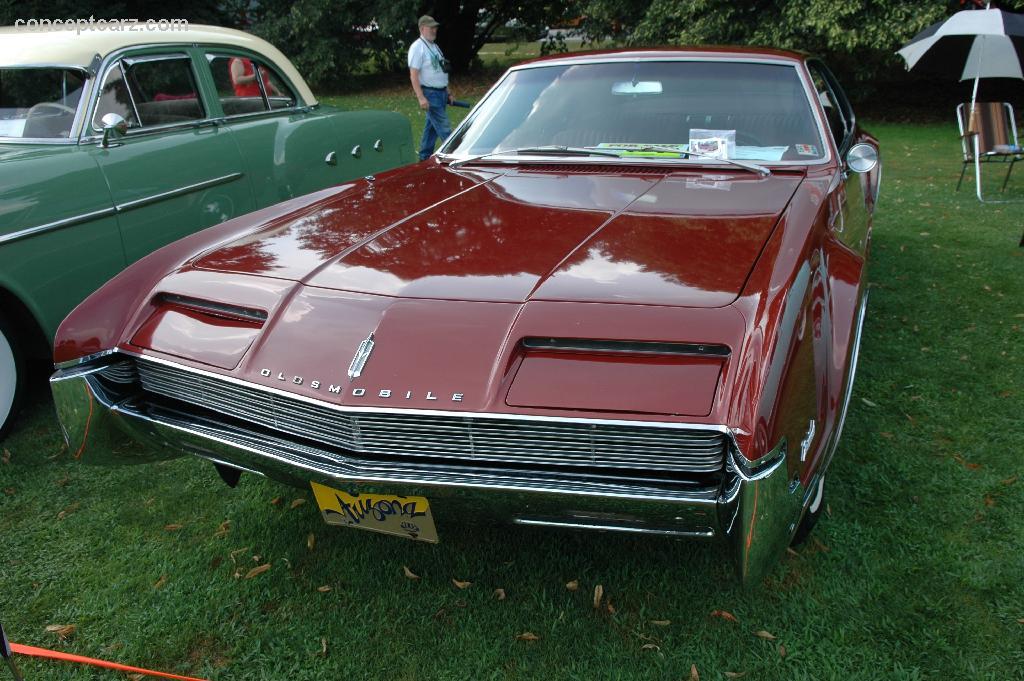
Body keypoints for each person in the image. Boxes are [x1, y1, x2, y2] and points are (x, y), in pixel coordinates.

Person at [408, 15, 455, 161]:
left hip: (440, 93)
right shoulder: (417, 48)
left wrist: (448, 92)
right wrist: (421, 97)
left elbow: (441, 70)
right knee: (445, 128)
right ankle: (456, 155)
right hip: (430, 94)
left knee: (432, 129)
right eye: (431, 27)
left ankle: (424, 157)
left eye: (435, 27)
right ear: (422, 29)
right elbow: (413, 75)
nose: (434, 30)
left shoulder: (435, 47)